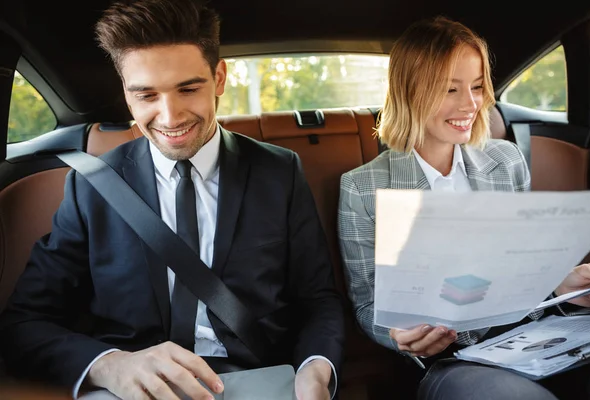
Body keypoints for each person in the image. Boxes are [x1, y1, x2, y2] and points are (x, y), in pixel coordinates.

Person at [0, 0, 344, 399]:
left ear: (218, 78)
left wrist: (316, 371)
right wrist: (110, 366)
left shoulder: (279, 172)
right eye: (146, 95)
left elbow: (318, 299)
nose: (170, 116)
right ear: (127, 96)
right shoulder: (92, 187)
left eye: (188, 88)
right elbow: (24, 323)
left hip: (257, 381)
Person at [338, 15, 590, 400]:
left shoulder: (506, 159)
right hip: (454, 358)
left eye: (477, 87)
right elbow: (367, 305)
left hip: (533, 335)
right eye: (450, 89)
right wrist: (398, 334)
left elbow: (521, 267)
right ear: (411, 91)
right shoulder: (362, 187)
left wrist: (563, 283)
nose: (471, 103)